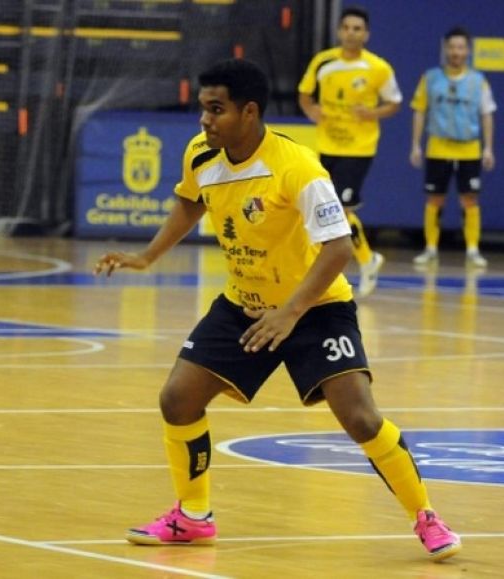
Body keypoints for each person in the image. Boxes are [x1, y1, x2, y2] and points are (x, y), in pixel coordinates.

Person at [94, 58, 460, 561]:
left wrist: (290, 312)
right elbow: (190, 203)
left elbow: (338, 249)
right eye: (203, 108)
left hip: (315, 307)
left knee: (361, 419)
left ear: (249, 112)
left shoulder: (298, 167)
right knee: (178, 398)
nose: (205, 120)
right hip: (245, 303)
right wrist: (146, 255)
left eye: (216, 110)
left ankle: (427, 517)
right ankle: (193, 517)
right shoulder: (202, 154)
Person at [298, 5, 402, 297]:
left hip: (359, 147)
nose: (351, 33)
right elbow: (305, 93)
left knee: (341, 210)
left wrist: (372, 112)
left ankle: (366, 261)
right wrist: (312, 110)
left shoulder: (378, 68)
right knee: (327, 209)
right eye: (346, 28)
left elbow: (394, 102)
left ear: (366, 34)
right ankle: (366, 260)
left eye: (357, 29)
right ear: (339, 31)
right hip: (328, 143)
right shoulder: (323, 62)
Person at [410, 26, 496, 268]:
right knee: (435, 199)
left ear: (467, 50)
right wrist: (416, 145)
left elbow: (487, 114)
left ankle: (472, 250)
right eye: (451, 47)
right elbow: (419, 111)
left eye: (460, 47)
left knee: (469, 199)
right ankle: (430, 249)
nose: (456, 52)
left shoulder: (478, 81)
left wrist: (488, 148)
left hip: (469, 148)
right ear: (445, 49)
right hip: (438, 147)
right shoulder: (431, 78)